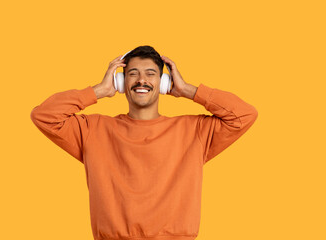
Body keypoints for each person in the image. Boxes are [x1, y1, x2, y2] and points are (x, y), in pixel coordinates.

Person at [30, 45, 258, 240]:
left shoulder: (194, 131)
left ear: (164, 82)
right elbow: (44, 116)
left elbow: (244, 115)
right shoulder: (93, 130)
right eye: (132, 73)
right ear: (119, 82)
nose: (142, 80)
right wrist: (98, 91)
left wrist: (189, 90)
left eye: (150, 73)